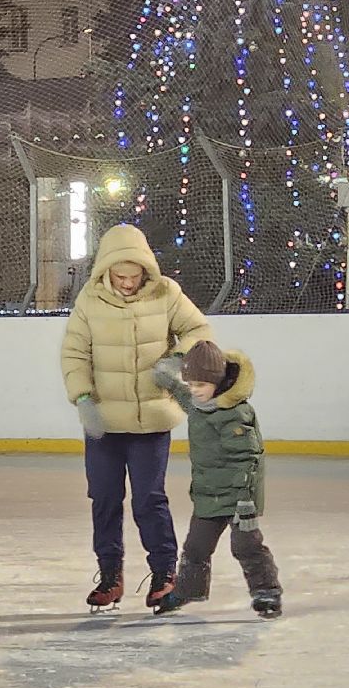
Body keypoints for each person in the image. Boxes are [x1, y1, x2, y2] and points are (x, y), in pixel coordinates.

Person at [60, 223, 214, 612]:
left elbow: (198, 329)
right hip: (104, 424)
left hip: (151, 422)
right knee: (105, 498)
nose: (128, 283)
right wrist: (81, 397)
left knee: (149, 499)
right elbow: (74, 353)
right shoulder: (90, 301)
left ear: (146, 270)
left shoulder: (167, 293)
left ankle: (165, 574)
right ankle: (110, 575)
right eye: (120, 276)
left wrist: (178, 359)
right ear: (105, 271)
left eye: (134, 276)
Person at [151, 340, 282, 619]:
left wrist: (246, 500)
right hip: (209, 493)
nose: (195, 390)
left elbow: (249, 458)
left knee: (245, 545)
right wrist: (169, 373)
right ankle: (188, 589)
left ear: (218, 382)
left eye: (201, 384)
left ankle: (266, 592)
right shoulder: (200, 404)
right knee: (196, 547)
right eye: (191, 384)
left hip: (239, 497)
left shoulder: (234, 413)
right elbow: (180, 391)